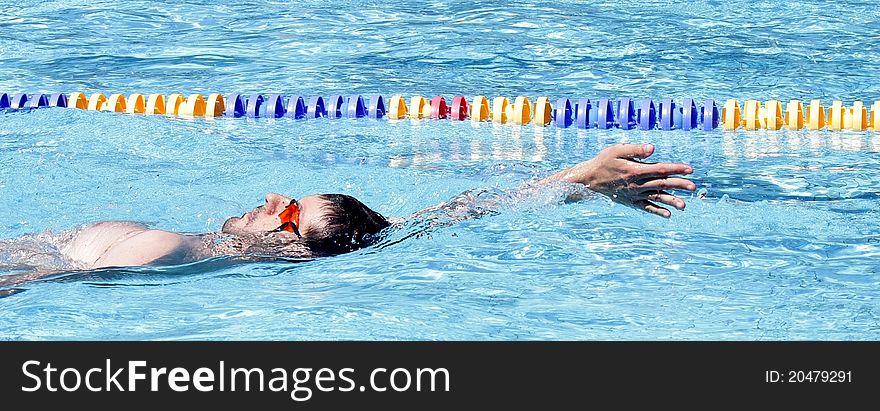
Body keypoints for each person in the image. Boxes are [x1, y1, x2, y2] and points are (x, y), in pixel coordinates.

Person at [0, 143, 694, 291]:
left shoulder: (170, 253)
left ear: (292, 240)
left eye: (290, 208)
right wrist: (573, 180)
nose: (273, 200)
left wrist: (572, 180)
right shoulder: (190, 241)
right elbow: (443, 214)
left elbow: (35, 278)